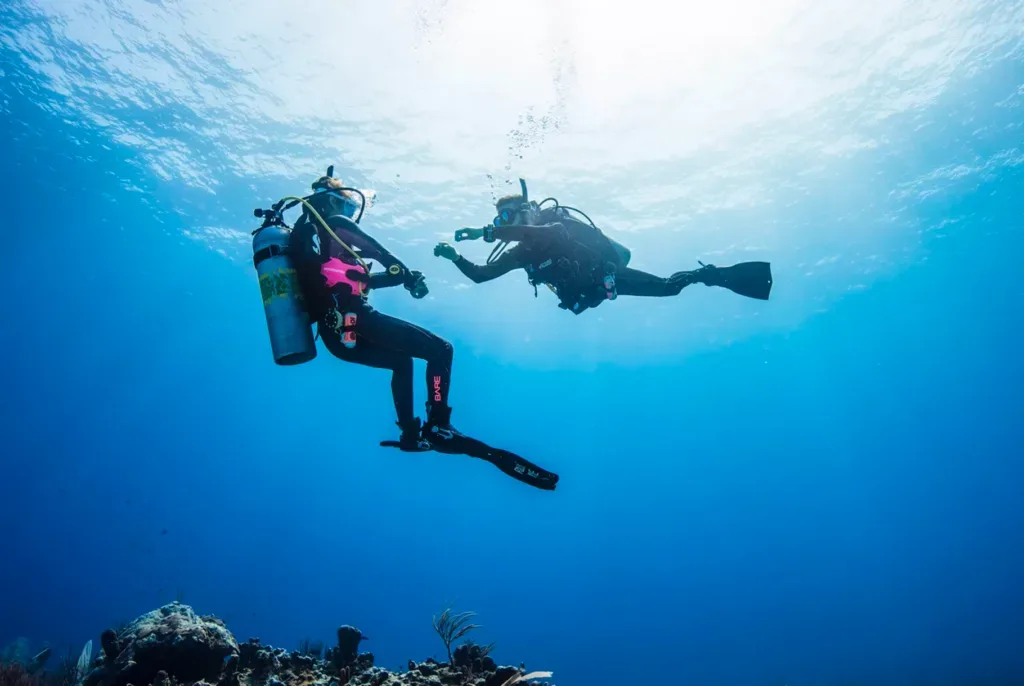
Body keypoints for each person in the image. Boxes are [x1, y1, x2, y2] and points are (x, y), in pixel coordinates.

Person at [288, 172, 558, 491]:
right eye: (348, 207)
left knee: (401, 361)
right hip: (355, 318)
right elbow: (385, 259)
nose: (348, 215)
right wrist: (409, 277)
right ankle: (440, 426)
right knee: (440, 350)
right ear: (336, 201)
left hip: (338, 338)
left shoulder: (305, 238)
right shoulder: (336, 223)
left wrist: (397, 276)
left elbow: (361, 281)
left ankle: (411, 435)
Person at [433, 179, 773, 315]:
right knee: (668, 292)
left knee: (671, 289)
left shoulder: (555, 221)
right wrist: (454, 258)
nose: (504, 223)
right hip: (590, 293)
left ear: (529, 211)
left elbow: (546, 234)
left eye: (508, 216)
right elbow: (480, 276)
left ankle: (711, 275)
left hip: (606, 274)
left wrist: (486, 234)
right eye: (499, 219)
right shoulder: (520, 252)